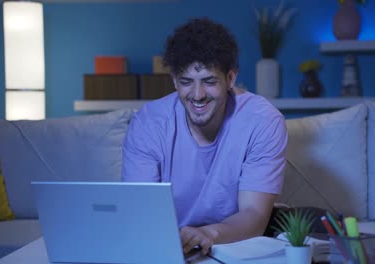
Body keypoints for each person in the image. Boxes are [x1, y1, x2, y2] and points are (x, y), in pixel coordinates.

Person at [122, 17, 288, 256]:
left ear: (230, 78)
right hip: (168, 248)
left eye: (209, 82)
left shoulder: (263, 121)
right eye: (186, 82)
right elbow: (139, 211)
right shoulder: (148, 123)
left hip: (234, 245)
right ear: (174, 80)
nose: (197, 95)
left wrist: (209, 234)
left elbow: (254, 215)